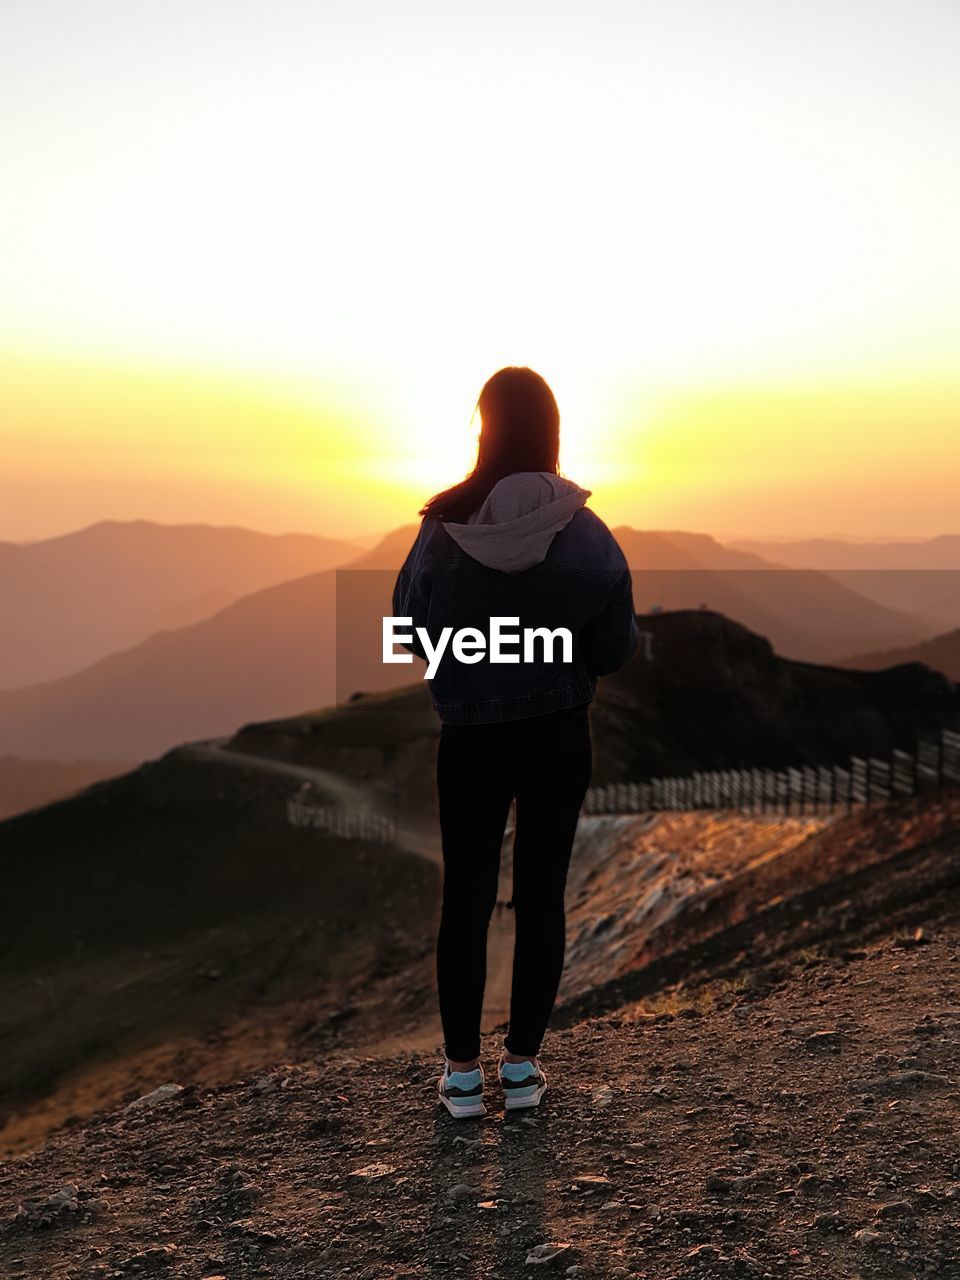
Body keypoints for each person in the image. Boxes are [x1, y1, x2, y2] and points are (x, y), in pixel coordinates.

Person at [392, 366, 639, 1118]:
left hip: (468, 739)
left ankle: (462, 1077)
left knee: (462, 902)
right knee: (542, 898)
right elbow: (615, 649)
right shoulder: (589, 534)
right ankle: (523, 1069)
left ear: (485, 429)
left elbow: (409, 625)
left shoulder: (443, 527)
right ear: (553, 432)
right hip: (559, 735)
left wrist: (469, 658)